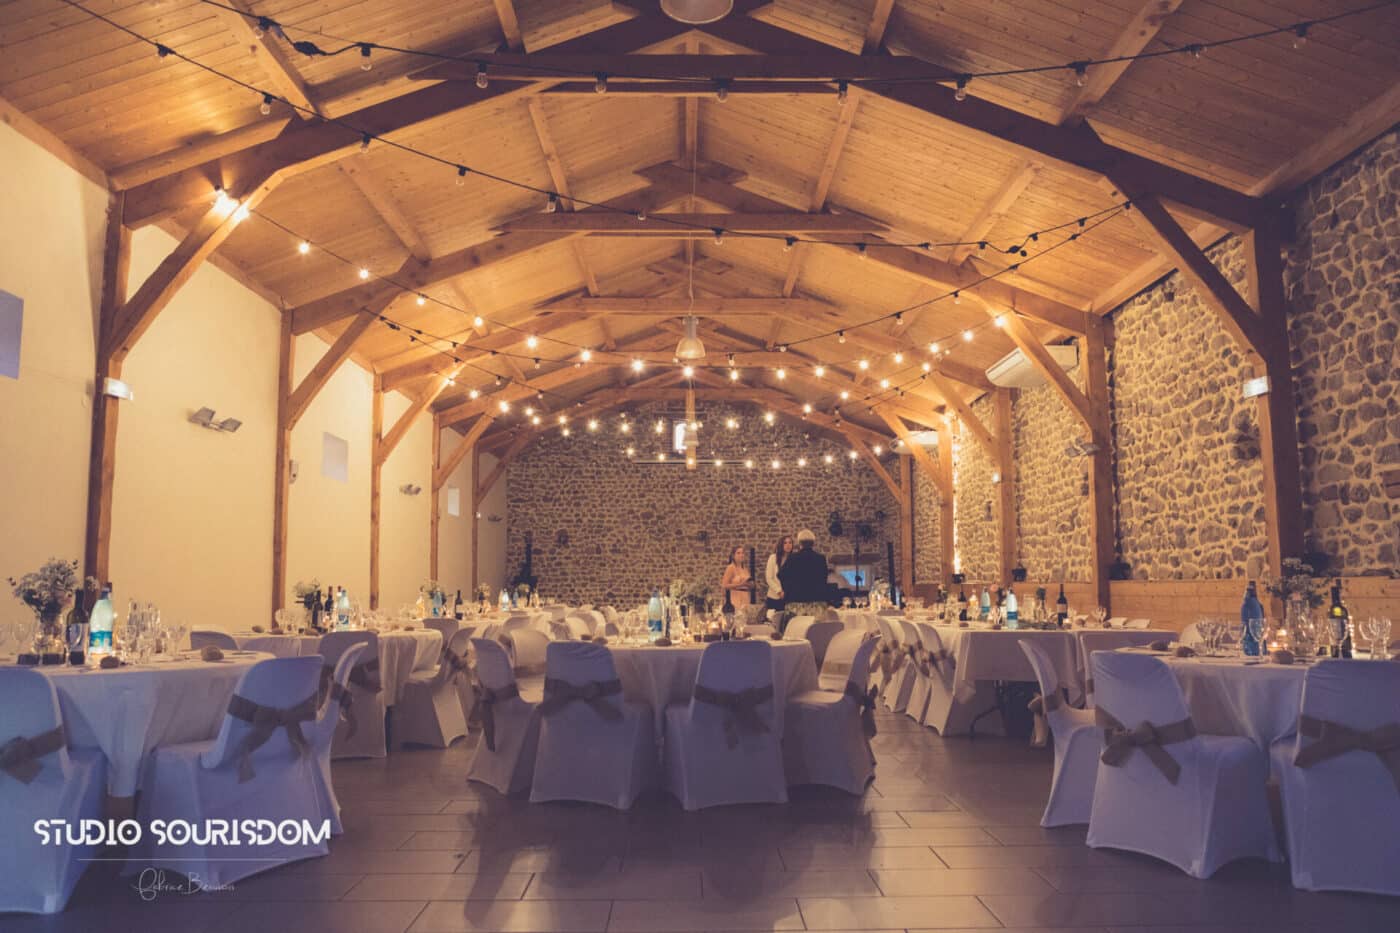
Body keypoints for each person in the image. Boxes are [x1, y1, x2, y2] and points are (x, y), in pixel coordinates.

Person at [778, 529, 831, 622]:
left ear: (799, 543)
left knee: (796, 629)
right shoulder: (820, 559)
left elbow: (781, 575)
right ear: (813, 543)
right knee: (817, 629)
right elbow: (824, 578)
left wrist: (788, 588)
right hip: (817, 603)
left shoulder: (792, 558)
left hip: (796, 603)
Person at [764, 535, 794, 619]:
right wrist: (779, 591)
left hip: (788, 597)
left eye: (790, 543)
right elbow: (769, 578)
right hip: (774, 596)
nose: (788, 545)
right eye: (785, 543)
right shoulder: (773, 558)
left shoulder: (794, 558)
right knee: (772, 621)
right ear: (781, 545)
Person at [720, 545, 752, 610]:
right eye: (738, 553)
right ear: (733, 555)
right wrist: (740, 584)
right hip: (735, 598)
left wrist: (750, 585)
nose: (741, 555)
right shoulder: (731, 568)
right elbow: (724, 585)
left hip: (745, 597)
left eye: (742, 553)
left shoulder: (745, 569)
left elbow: (747, 583)